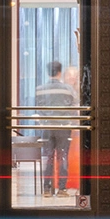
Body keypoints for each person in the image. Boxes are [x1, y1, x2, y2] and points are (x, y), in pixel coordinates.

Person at [33, 59, 76, 196]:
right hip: (63, 128)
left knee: (49, 157)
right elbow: (74, 108)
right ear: (60, 72)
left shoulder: (39, 90)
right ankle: (62, 189)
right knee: (63, 157)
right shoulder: (68, 89)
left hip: (47, 128)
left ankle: (47, 188)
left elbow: (38, 109)